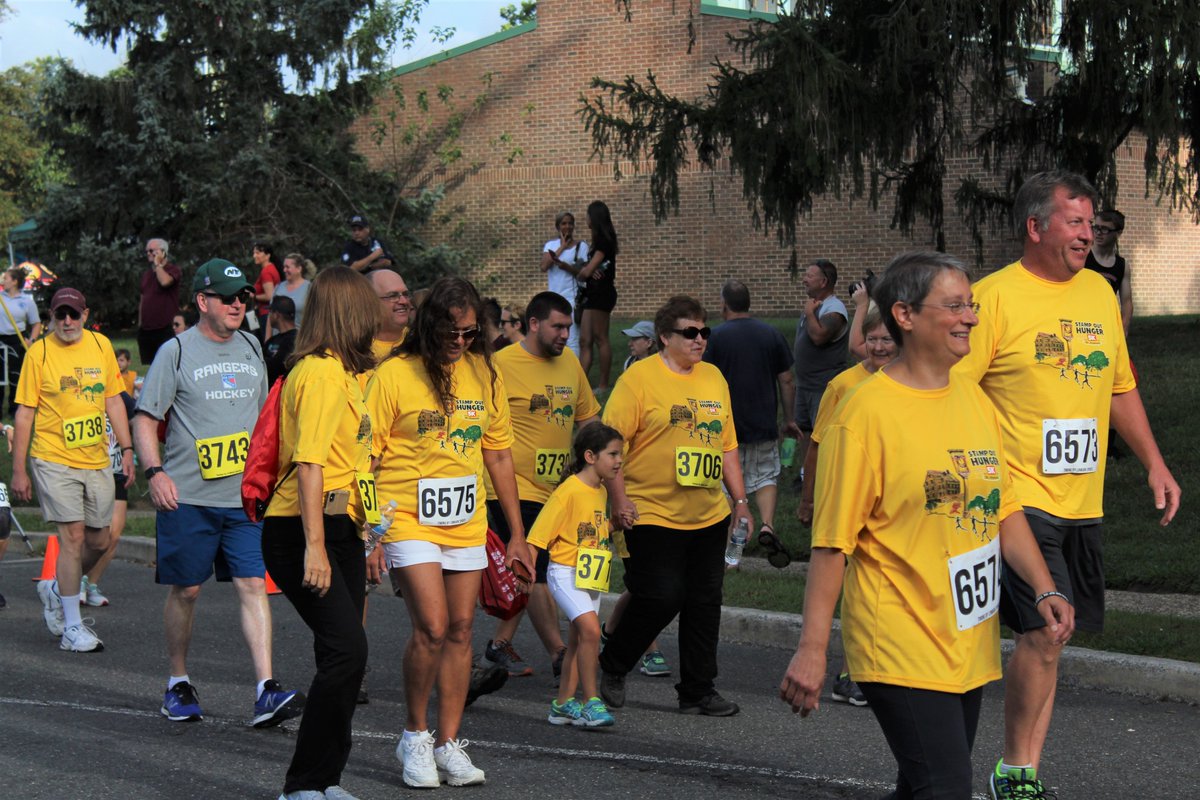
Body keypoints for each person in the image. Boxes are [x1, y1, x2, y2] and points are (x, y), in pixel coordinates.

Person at [779, 251, 1075, 800]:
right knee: (944, 787)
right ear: (906, 315)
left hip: (964, 641)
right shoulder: (864, 415)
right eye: (955, 305)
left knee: (922, 787)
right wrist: (813, 648)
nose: (971, 317)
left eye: (972, 305)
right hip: (900, 638)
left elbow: (1003, 507)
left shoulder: (972, 397)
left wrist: (1044, 587)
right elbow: (831, 544)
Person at [955, 171, 1180, 800]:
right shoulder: (993, 298)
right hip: (1016, 497)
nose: (1088, 234)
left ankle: (1019, 766)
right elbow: (951, 386)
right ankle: (1017, 771)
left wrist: (1154, 463)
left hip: (1082, 499)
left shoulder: (1099, 296)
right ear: (1035, 227)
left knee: (1058, 634)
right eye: (1075, 222)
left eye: (1091, 223)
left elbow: (1120, 386)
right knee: (1043, 632)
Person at [365, 276, 532, 788]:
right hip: (407, 516)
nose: (460, 342)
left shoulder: (484, 372)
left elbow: (499, 455)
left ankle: (448, 742)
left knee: (462, 629)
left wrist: (519, 535)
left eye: (469, 333)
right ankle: (414, 736)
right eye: (452, 332)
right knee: (433, 627)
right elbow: (365, 458)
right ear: (428, 324)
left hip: (466, 519)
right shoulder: (393, 374)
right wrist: (370, 536)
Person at [133, 259, 300, 726]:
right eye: (227, 297)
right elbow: (145, 418)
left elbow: (265, 418)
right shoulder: (176, 352)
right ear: (203, 302)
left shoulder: (251, 345)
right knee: (187, 590)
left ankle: (266, 688)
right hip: (187, 496)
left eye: (242, 297)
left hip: (244, 498)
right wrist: (155, 471)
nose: (237, 304)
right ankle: (178, 682)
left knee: (252, 585)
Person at [599, 295, 753, 717]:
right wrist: (619, 500)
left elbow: (728, 448)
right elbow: (610, 446)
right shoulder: (639, 381)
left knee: (705, 600)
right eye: (690, 332)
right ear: (664, 337)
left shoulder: (714, 379)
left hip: (706, 514)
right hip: (648, 511)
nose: (700, 339)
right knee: (661, 595)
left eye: (705, 331)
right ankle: (613, 663)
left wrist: (739, 502)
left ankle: (698, 691)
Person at [260, 266, 377, 800]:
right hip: (302, 529)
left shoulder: (348, 373)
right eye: (369, 305)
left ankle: (326, 780)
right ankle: (302, 784)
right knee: (347, 651)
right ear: (350, 310)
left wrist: (366, 527)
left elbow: (349, 461)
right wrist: (315, 548)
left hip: (340, 525)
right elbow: (309, 465)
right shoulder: (322, 373)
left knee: (344, 655)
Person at [479, 291, 600, 681]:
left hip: (555, 490)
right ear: (533, 324)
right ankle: (559, 653)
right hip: (511, 487)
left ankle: (498, 646)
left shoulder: (569, 364)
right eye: (558, 326)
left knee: (524, 572)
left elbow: (588, 421)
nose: (566, 334)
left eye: (569, 327)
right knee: (536, 570)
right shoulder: (500, 364)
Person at [13, 288, 134, 652]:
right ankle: (72, 626)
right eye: (60, 315)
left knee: (102, 539)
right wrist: (18, 470)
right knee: (73, 537)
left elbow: (112, 398)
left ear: (85, 314)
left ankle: (55, 588)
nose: (67, 321)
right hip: (53, 457)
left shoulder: (100, 345)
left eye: (74, 315)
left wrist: (127, 449)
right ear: (51, 316)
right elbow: (24, 413)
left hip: (96, 458)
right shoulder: (40, 353)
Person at [797, 302, 898, 708]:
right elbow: (816, 446)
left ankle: (867, 668)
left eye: (886, 339)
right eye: (871, 339)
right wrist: (807, 499)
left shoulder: (911, 383)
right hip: (846, 498)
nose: (878, 347)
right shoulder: (844, 385)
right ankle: (851, 672)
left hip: (889, 500)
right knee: (859, 585)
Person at [529, 423, 623, 728]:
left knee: (578, 639)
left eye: (620, 454)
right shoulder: (568, 490)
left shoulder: (600, 490)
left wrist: (614, 525)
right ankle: (591, 702)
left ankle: (562, 704)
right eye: (613, 454)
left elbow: (590, 529)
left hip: (590, 576)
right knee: (592, 633)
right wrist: (525, 570)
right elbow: (538, 535)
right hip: (565, 573)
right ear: (590, 456)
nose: (619, 460)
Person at [704, 279, 799, 542]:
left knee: (728, 486)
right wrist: (789, 419)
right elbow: (787, 379)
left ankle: (732, 551)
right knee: (766, 475)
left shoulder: (716, 337)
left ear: (724, 305)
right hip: (763, 421)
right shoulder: (771, 334)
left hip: (725, 426)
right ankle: (767, 525)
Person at [792, 260, 849, 486]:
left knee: (822, 434)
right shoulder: (817, 305)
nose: (804, 279)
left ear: (823, 281)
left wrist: (809, 312)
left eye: (809, 275)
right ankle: (808, 475)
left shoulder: (834, 310)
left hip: (823, 385)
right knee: (805, 430)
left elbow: (819, 336)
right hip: (805, 384)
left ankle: (825, 477)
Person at [81, 387, 137, 607]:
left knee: (114, 533)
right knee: (89, 534)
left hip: (116, 471)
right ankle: (72, 582)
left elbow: (137, 422)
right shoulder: (82, 392)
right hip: (89, 470)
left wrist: (130, 451)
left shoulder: (120, 396)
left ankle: (90, 583)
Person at [577, 201, 619, 393]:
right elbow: (587, 271)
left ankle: (603, 384)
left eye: (587, 214)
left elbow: (587, 271)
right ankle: (580, 383)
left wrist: (585, 271)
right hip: (591, 294)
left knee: (600, 337)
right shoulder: (596, 242)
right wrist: (585, 271)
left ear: (594, 218)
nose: (585, 218)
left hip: (602, 294)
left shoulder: (603, 240)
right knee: (585, 339)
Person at [540, 210, 588, 357]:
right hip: (554, 298)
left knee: (571, 338)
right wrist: (562, 247)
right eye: (564, 223)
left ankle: (574, 372)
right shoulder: (551, 245)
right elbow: (544, 266)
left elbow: (584, 274)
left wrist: (566, 267)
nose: (567, 226)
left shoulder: (581, 246)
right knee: (553, 336)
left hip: (572, 298)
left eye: (570, 223)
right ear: (558, 226)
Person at [0, 266, 42, 418]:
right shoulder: (0, 297)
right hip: (0, 340)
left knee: (15, 376)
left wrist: (32, 340)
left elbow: (36, 323)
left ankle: (14, 410)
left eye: (6, 278)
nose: (3, 280)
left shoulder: (26, 301)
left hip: (17, 340)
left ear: (15, 281)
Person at [1085, 210, 1133, 331]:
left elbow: (1127, 302)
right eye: (1096, 228)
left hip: (1106, 323)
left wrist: (1123, 329)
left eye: (1105, 229)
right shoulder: (1082, 256)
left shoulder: (1122, 265)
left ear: (1118, 233)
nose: (1098, 233)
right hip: (1081, 320)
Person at [139, 238, 183, 365]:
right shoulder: (147, 274)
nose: (148, 253)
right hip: (146, 330)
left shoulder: (173, 270)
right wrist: (140, 325)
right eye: (147, 251)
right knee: (150, 367)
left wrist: (158, 265)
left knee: (167, 365)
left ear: (163, 252)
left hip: (165, 328)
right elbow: (142, 299)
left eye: (152, 251)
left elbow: (165, 282)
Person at [367, 269, 413, 362]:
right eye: (392, 296)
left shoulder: (420, 342)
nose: (404, 301)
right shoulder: (353, 351)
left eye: (405, 294)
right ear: (370, 301)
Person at [267, 252, 315, 337]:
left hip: (298, 339)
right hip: (277, 341)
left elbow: (314, 317)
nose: (284, 270)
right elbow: (270, 315)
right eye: (284, 267)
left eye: (287, 267)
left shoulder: (309, 288)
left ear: (299, 269)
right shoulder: (279, 287)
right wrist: (267, 340)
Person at [264, 295, 299, 386]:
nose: (269, 316)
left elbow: (279, 365)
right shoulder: (273, 340)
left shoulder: (296, 339)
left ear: (276, 315)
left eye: (270, 312)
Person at [251, 242, 280, 338]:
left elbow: (269, 296)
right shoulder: (271, 269)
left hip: (265, 314)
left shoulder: (266, 272)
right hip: (267, 313)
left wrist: (252, 296)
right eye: (254, 253)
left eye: (258, 253)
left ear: (267, 255)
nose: (254, 256)